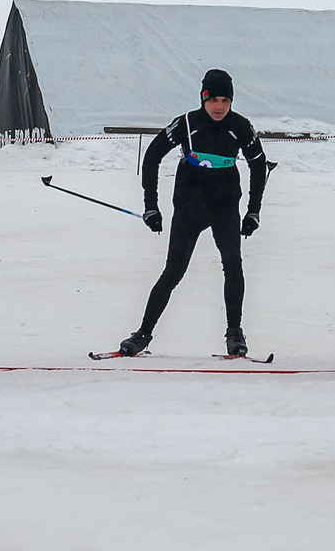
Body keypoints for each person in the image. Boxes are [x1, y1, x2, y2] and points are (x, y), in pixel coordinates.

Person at [113, 68, 273, 359]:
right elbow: (152, 156)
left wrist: (253, 212)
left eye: (225, 100)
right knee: (173, 271)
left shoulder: (240, 126)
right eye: (213, 100)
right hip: (190, 207)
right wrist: (151, 205)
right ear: (203, 99)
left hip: (224, 207)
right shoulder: (187, 123)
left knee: (233, 267)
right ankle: (143, 333)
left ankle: (234, 334)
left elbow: (258, 164)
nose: (218, 107)